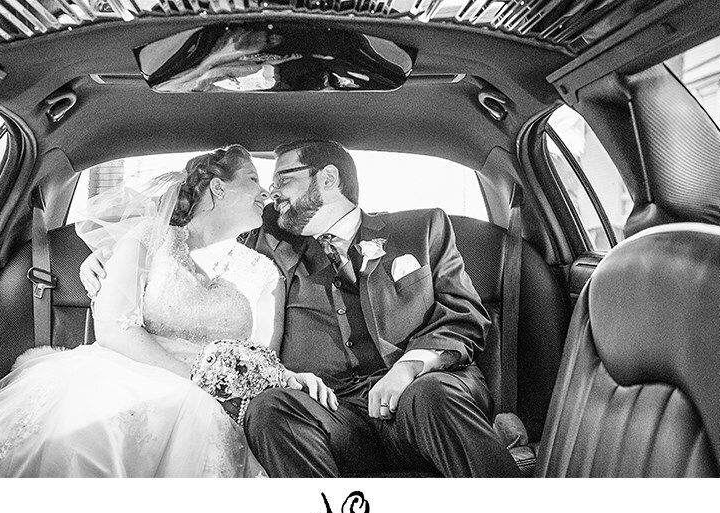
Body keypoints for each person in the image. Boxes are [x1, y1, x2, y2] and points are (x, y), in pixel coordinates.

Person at [82, 140, 519, 477]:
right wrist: (109, 255)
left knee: (432, 394)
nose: (271, 194)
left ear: (328, 179)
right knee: (270, 409)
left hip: (424, 395)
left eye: (284, 179)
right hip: (335, 412)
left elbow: (464, 317)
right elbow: (188, 237)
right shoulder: (264, 241)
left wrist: (407, 368)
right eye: (265, 184)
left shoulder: (422, 227)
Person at [0, 145, 288, 477]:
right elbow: (115, 328)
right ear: (218, 188)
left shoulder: (254, 268)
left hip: (213, 400)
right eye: (254, 179)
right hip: (137, 376)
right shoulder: (149, 238)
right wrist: (197, 382)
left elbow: (255, 355)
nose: (266, 193)